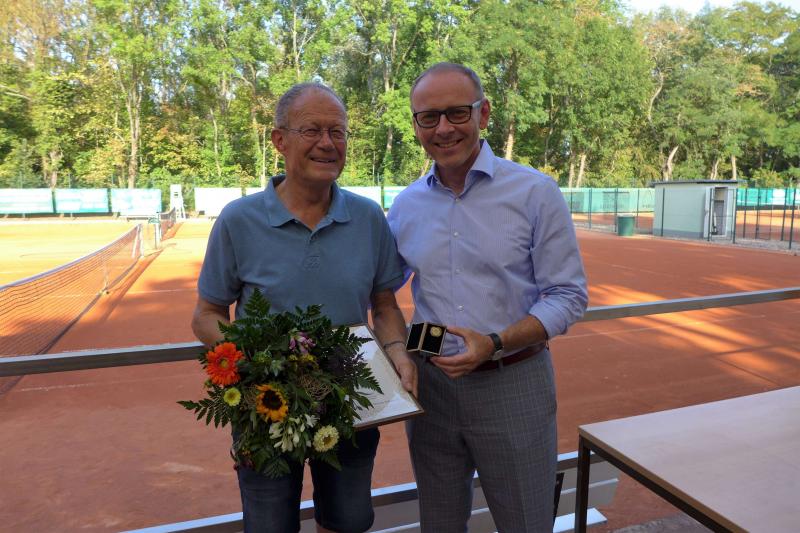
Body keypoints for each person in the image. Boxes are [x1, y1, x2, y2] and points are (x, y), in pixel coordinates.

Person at [192, 82, 416, 533]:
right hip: (267, 406)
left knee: (350, 520)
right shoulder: (238, 219)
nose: (327, 143)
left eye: (338, 131)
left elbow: (384, 304)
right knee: (270, 525)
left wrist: (397, 350)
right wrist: (257, 366)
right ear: (279, 140)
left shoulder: (368, 217)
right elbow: (207, 315)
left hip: (352, 402)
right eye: (312, 130)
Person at [387, 63, 588, 532]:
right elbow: (380, 290)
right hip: (431, 386)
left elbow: (567, 295)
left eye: (457, 113)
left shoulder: (535, 192)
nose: (443, 128)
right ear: (415, 125)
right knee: (439, 523)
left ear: (484, 113)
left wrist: (495, 342)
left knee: (525, 522)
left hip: (513, 381)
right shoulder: (407, 204)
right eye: (428, 117)